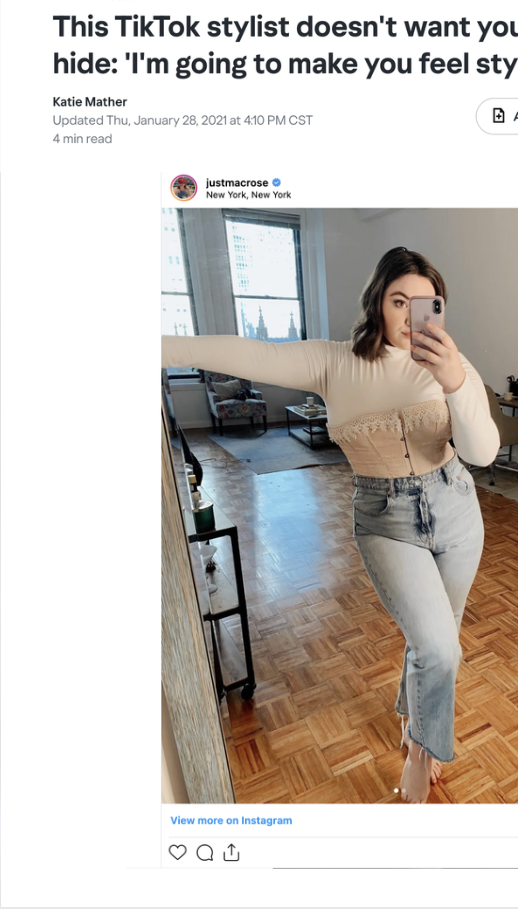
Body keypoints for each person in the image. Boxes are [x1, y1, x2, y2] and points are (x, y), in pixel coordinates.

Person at [162, 246, 499, 802]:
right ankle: (423, 749)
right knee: (439, 648)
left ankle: (413, 721)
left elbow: (483, 454)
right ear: (377, 302)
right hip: (385, 518)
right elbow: (251, 352)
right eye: (399, 301)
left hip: (457, 507)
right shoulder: (334, 362)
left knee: (437, 637)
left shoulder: (453, 366)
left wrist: (455, 383)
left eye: (426, 303)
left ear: (440, 308)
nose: (411, 315)